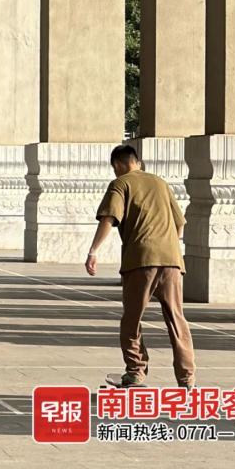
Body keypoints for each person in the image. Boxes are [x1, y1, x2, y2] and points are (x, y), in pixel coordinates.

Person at [86, 145, 196, 389]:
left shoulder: (121, 183)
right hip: (172, 260)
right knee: (176, 319)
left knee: (132, 319)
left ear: (117, 164)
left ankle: (135, 373)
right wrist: (166, 244)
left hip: (141, 259)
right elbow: (180, 225)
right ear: (138, 161)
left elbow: (109, 218)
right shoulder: (160, 183)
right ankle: (187, 380)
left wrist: (93, 251)